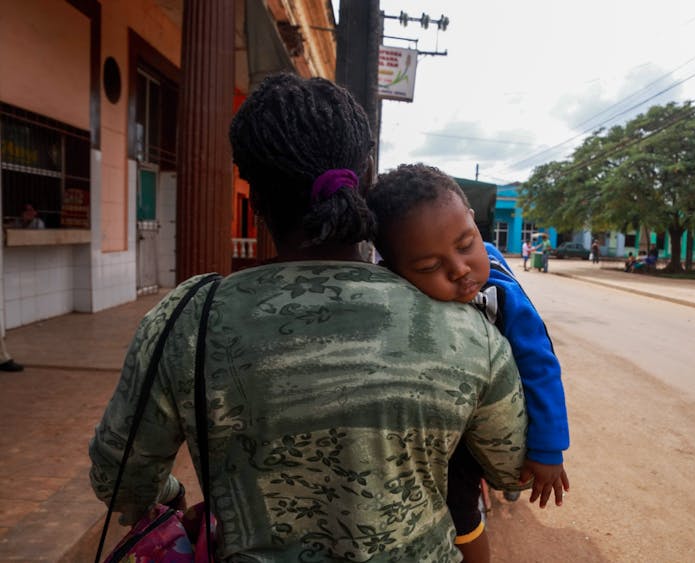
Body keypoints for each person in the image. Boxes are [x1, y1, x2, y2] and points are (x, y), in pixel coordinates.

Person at [89, 73, 528, 561]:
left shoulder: (187, 321)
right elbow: (512, 468)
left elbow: (120, 479)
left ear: (255, 200)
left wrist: (174, 497)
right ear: (365, 177)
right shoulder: (465, 329)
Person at [367, 163, 570, 563]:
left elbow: (541, 364)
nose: (460, 270)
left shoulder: (501, 290)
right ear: (392, 270)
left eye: (466, 244)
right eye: (429, 267)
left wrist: (548, 448)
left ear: (475, 224)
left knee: (460, 510)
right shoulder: (387, 293)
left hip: (473, 432)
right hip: (421, 426)